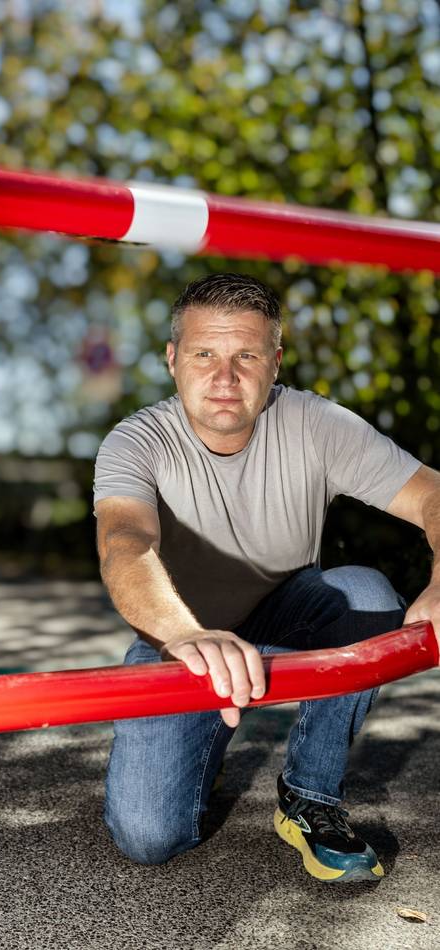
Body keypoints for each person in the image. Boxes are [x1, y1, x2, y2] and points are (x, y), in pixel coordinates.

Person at [93, 273, 440, 883]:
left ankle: (310, 798)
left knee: (365, 595)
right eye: (204, 354)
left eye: (246, 356)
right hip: (184, 634)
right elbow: (126, 543)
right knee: (149, 837)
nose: (224, 378)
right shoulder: (137, 441)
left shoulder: (315, 422)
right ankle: (204, 751)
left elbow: (432, 493)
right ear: (173, 360)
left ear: (274, 363)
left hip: (288, 607)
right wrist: (182, 633)